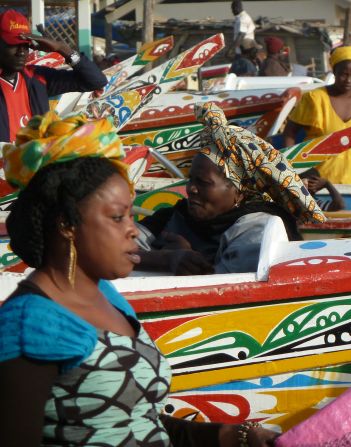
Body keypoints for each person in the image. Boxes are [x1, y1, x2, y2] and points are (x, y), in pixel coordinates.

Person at [0, 112, 279, 447]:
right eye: (118, 218)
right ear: (66, 225)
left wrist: (228, 435)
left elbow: (132, 418)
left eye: (131, 215)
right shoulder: (30, 323)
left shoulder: (105, 295)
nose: (133, 230)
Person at [135, 102, 325, 275]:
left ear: (239, 193)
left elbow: (227, 289)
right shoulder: (175, 216)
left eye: (203, 182)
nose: (191, 189)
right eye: (191, 179)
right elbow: (114, 249)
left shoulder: (258, 227)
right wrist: (167, 259)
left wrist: (184, 258)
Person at [283, 45, 351, 185]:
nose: (348, 80)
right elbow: (290, 133)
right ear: (334, 71)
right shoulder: (315, 99)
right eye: (344, 74)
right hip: (317, 180)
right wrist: (289, 169)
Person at [0, 9, 107, 142]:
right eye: (14, 45)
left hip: (35, 160)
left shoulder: (37, 77)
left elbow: (95, 81)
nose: (21, 52)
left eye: (25, 45)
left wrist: (62, 49)